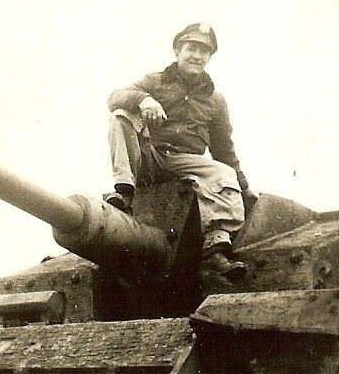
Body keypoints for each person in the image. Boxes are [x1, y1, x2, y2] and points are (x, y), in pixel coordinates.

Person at [105, 22, 256, 280]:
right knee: (121, 116)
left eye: (204, 51)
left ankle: (216, 246)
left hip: (184, 162)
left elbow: (224, 149)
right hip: (150, 157)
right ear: (178, 50)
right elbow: (114, 97)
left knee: (223, 172)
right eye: (191, 48)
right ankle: (124, 192)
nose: (197, 56)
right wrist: (144, 100)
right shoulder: (154, 82)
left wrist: (244, 187)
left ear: (210, 57)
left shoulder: (215, 100)